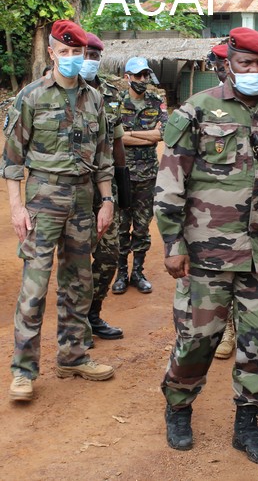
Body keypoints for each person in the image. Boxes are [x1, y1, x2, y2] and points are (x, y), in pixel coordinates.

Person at [154, 27, 258, 461]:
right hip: (206, 254)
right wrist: (172, 243)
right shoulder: (196, 111)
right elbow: (170, 183)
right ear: (229, 65)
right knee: (198, 340)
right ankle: (178, 406)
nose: (256, 72)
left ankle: (248, 424)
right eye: (247, 64)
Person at [1, 20, 115, 402]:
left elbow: (102, 157)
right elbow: (12, 161)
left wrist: (108, 200)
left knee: (78, 284)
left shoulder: (95, 99)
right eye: (64, 52)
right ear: (51, 53)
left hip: (83, 201)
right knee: (34, 289)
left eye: (76, 53)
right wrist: (17, 207)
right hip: (42, 200)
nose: (71, 59)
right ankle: (23, 371)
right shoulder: (31, 97)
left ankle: (73, 356)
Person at [81, 32, 127, 343]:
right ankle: (76, 324)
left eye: (93, 56)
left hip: (107, 187)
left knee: (110, 254)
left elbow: (118, 140)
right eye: (83, 54)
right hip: (72, 192)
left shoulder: (111, 94)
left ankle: (93, 314)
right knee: (77, 258)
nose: (88, 61)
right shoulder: (51, 91)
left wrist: (123, 182)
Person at [111, 57, 167, 295]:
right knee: (122, 228)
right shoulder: (115, 104)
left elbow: (161, 135)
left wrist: (129, 133)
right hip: (121, 175)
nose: (142, 80)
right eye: (137, 76)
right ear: (127, 78)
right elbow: (117, 137)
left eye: (145, 75)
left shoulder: (156, 101)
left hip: (148, 176)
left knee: (142, 228)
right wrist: (145, 134)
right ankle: (121, 273)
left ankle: (138, 272)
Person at [207, 44, 236, 359]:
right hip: (215, 210)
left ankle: (247, 333)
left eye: (225, 63)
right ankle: (227, 333)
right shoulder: (204, 106)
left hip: (252, 211)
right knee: (221, 277)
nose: (221, 67)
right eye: (216, 63)